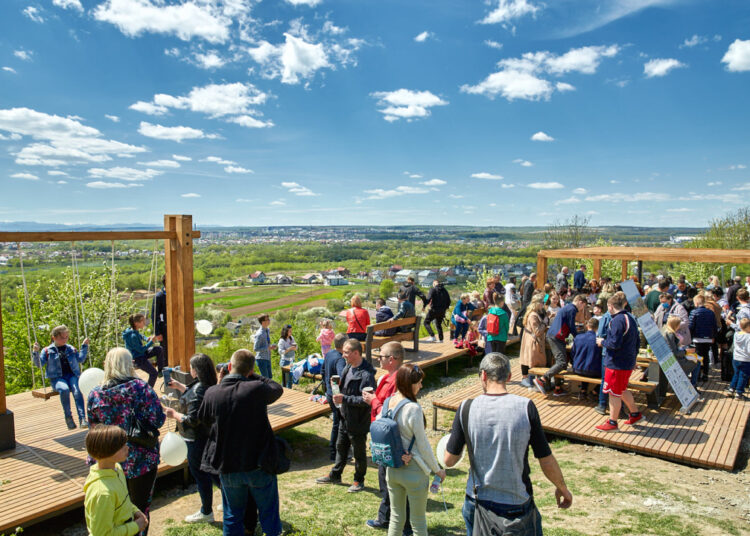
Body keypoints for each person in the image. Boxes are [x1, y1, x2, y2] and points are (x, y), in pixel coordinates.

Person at [444, 353, 572, 536]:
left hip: (478, 501)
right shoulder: (526, 407)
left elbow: (449, 460)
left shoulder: (466, 408)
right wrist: (562, 487)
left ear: (483, 375)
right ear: (510, 377)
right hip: (516, 503)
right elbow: (545, 457)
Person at [198, 349, 284, 536]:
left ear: (229, 367)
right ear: (251, 370)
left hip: (228, 465)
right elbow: (277, 388)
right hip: (258, 463)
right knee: (268, 512)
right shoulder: (256, 389)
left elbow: (204, 420)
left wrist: (221, 383)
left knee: (232, 515)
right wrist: (255, 375)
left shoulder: (212, 392)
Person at [87, 347, 165, 535]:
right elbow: (158, 419)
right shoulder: (140, 388)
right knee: (140, 510)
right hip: (141, 458)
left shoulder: (95, 393)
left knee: (111, 512)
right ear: (128, 364)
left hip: (107, 461)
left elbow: (93, 428)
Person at [380, 364, 446, 536]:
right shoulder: (413, 408)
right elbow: (423, 445)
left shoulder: (388, 403)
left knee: (396, 518)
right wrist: (437, 469)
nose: (421, 386)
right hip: (414, 471)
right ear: (410, 383)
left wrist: (398, 452)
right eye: (419, 382)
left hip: (392, 470)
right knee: (418, 522)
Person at [163, 353, 220, 523]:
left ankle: (206, 511)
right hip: (205, 436)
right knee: (212, 471)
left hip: (195, 438)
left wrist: (175, 414)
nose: (190, 369)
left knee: (201, 474)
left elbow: (193, 420)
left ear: (196, 370)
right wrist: (181, 387)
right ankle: (228, 498)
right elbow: (195, 397)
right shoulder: (206, 384)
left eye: (191, 367)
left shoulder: (199, 389)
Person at [362, 342, 412, 533]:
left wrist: (373, 400)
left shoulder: (398, 380)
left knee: (392, 480)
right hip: (382, 435)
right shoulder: (387, 377)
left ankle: (402, 524)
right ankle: (387, 517)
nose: (377, 358)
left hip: (391, 438)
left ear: (392, 359)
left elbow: (391, 410)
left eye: (381, 356)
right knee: (385, 478)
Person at [316, 338, 376, 492]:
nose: (343, 355)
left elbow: (366, 400)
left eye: (347, 352)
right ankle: (335, 475)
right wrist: (336, 385)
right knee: (340, 448)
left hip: (358, 420)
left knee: (359, 453)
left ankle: (358, 481)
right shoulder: (348, 367)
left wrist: (345, 399)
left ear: (356, 353)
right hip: (345, 417)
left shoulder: (367, 375)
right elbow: (344, 389)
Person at [84, 425, 148, 536]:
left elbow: (124, 500)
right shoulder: (102, 494)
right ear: (107, 451)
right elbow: (102, 534)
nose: (127, 447)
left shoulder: (117, 469)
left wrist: (135, 511)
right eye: (122, 446)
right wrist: (135, 526)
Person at [595, 293, 644, 431]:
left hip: (617, 362)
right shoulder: (631, 318)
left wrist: (602, 341)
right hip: (627, 361)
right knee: (621, 389)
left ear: (610, 306)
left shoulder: (616, 320)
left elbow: (614, 343)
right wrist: (634, 358)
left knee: (613, 392)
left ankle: (612, 422)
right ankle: (635, 413)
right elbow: (637, 341)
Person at [32, 324, 89, 430]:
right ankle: (68, 417)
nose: (65, 339)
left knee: (77, 391)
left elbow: (81, 359)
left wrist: (84, 346)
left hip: (72, 375)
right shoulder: (47, 351)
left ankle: (82, 419)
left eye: (66, 337)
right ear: (54, 338)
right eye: (62, 337)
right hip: (57, 378)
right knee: (64, 389)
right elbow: (39, 364)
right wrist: (35, 352)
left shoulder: (71, 348)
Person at [535, 294, 587, 396]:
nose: (582, 309)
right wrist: (578, 337)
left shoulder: (567, 307)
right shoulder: (572, 309)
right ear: (580, 302)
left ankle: (557, 388)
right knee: (562, 362)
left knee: (559, 362)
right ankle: (543, 379)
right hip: (557, 337)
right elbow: (571, 326)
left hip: (554, 336)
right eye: (583, 306)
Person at [323, 334, 348, 461]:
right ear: (344, 345)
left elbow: (323, 372)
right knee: (338, 424)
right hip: (335, 395)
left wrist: (326, 388)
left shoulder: (329, 354)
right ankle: (334, 453)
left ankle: (338, 451)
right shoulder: (340, 360)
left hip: (329, 392)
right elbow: (340, 378)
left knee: (338, 423)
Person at [122, 313, 165, 388]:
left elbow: (141, 336)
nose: (144, 323)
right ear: (136, 323)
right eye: (143, 321)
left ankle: (160, 370)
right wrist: (151, 342)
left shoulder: (133, 330)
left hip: (142, 354)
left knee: (159, 349)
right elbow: (141, 350)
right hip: (138, 358)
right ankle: (148, 392)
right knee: (153, 373)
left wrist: (146, 338)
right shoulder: (132, 336)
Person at [519, 294, 547, 388]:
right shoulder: (533, 315)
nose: (543, 304)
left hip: (529, 339)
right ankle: (531, 382)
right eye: (542, 303)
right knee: (532, 361)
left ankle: (531, 381)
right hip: (532, 341)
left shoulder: (532, 313)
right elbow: (538, 331)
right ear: (538, 303)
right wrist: (544, 323)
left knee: (530, 360)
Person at [570, 318, 602, 399]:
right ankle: (595, 391)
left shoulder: (578, 337)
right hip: (593, 371)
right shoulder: (599, 340)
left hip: (577, 369)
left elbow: (572, 353)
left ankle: (583, 390)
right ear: (597, 328)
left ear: (587, 326)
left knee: (586, 363)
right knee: (607, 376)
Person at [689, 294, 717, 382]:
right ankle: (705, 374)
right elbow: (714, 326)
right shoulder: (711, 313)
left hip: (697, 338)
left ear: (696, 303)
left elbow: (691, 326)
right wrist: (713, 336)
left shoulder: (694, 312)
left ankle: (697, 375)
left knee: (697, 357)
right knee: (706, 356)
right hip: (708, 338)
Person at [727, 318, 750, 401]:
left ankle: (731, 388)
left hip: (736, 358)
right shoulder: (748, 336)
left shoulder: (736, 334)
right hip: (746, 359)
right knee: (743, 376)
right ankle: (739, 393)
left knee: (736, 374)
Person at [252, 314, 277, 379]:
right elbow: (255, 348)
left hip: (267, 357)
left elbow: (265, 344)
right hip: (261, 359)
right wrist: (267, 348)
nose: (269, 321)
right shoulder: (259, 334)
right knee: (266, 379)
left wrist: (271, 347)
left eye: (269, 319)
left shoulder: (267, 330)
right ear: (263, 322)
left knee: (270, 377)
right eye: (267, 319)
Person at [152, 274, 168, 365]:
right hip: (164, 329)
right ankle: (164, 373)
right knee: (165, 352)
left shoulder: (176, 294)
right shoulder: (159, 297)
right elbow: (154, 315)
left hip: (177, 328)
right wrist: (157, 333)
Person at [277, 324, 297, 388]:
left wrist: (295, 347)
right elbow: (280, 351)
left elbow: (296, 347)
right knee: (285, 380)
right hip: (285, 361)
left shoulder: (292, 338)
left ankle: (290, 392)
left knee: (290, 379)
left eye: (291, 331)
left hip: (291, 361)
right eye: (289, 331)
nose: (291, 332)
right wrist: (289, 349)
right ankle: (284, 393)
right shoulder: (282, 340)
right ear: (286, 332)